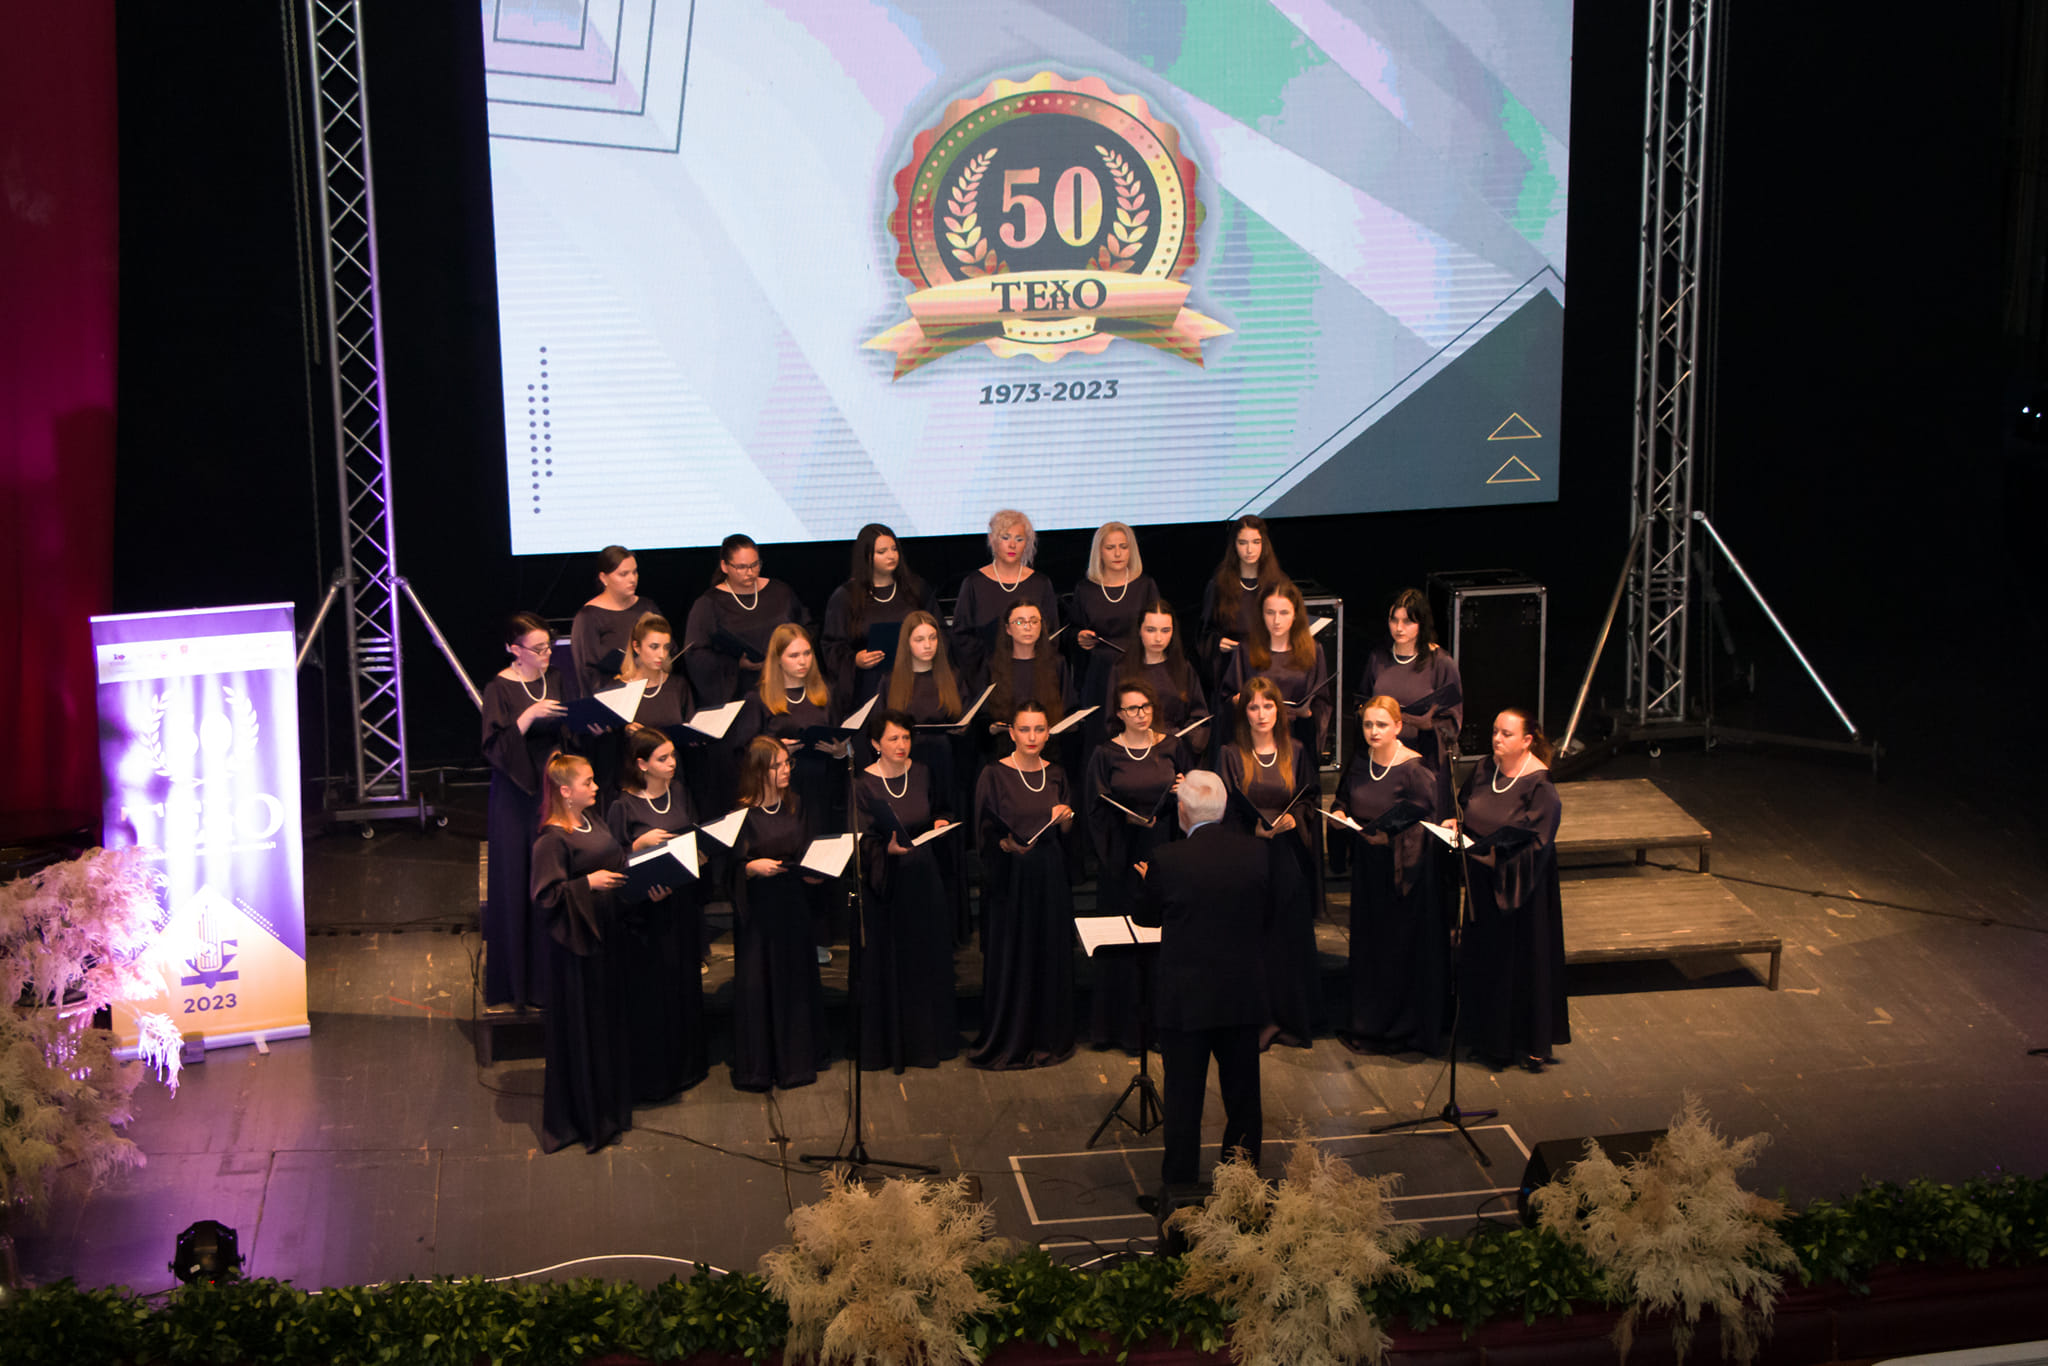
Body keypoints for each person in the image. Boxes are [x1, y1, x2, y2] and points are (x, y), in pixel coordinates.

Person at [1131, 770, 1270, 1189]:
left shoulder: (1167, 859)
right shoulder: (1257, 854)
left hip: (1186, 1001)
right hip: (1241, 996)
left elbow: (1146, 917)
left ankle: (1180, 1193)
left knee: (1183, 1101)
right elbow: (1269, 913)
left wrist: (1148, 882)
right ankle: (1239, 1187)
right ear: (1224, 809)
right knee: (1243, 1099)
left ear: (1182, 811)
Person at [531, 752, 668, 1154]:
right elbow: (546, 898)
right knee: (585, 1027)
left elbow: (618, 862)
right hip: (577, 950)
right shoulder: (552, 839)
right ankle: (586, 1117)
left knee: (609, 1024)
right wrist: (586, 884)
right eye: (587, 782)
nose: (595, 787)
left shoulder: (594, 820)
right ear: (565, 791)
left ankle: (611, 1107)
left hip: (609, 937)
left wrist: (646, 883)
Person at [1450, 708, 1568, 1073]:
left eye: (1506, 734)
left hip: (1520, 889)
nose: (1497, 739)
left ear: (1527, 741)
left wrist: (1493, 858)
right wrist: (1456, 825)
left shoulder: (1540, 786)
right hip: (1483, 881)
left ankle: (1526, 1042)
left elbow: (1537, 845)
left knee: (1519, 963)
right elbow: (1466, 806)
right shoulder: (1485, 768)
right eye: (1495, 731)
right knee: (1484, 957)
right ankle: (1486, 1036)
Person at [1329, 695, 1447, 1055]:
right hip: (1368, 868)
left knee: (1396, 948)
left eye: (1381, 724)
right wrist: (1339, 814)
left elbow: (1426, 824)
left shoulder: (1415, 769)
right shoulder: (1360, 762)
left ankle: (1400, 1027)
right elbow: (1344, 799)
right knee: (1369, 947)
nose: (1374, 731)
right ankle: (1368, 1022)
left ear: (1398, 726)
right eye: (1368, 724)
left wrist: (1390, 838)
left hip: (1402, 874)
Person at [1082, 680, 1191, 1053]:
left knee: (1162, 940)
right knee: (1125, 939)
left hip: (1164, 848)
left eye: (1145, 706)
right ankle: (1121, 1028)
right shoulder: (1105, 754)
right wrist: (1124, 821)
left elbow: (1194, 800)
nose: (1140, 714)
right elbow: (1095, 809)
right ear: (1119, 714)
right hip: (1122, 855)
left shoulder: (1172, 746)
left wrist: (1183, 791)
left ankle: (1163, 1026)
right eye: (1132, 708)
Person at [969, 700, 1078, 1069]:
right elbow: (983, 832)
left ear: (1048, 733)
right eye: (1025, 729)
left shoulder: (1057, 773)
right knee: (1012, 957)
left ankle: (1049, 1037)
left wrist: (1065, 819)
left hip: (1049, 877)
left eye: (1040, 729)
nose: (1033, 736)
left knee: (1049, 954)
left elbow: (1068, 833)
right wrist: (1005, 844)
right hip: (1010, 881)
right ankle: (1009, 1038)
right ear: (1012, 733)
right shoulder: (993, 774)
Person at [851, 710, 961, 1072]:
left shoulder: (923, 772)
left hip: (923, 878)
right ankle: (892, 1047)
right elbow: (861, 839)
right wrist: (885, 850)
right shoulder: (862, 784)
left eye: (906, 737)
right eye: (893, 738)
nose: (901, 745)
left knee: (926, 959)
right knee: (892, 962)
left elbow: (940, 808)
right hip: (887, 885)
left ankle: (929, 1042)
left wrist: (941, 821)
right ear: (875, 743)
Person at [1216, 677, 1322, 1049]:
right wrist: (1253, 829)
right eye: (1253, 707)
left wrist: (1295, 817)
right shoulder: (1230, 754)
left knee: (1286, 940)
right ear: (1243, 713)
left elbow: (1309, 798)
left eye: (1268, 705)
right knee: (1253, 941)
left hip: (1286, 856)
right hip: (1248, 856)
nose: (1261, 714)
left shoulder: (1296, 750)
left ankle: (1290, 1019)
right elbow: (1225, 807)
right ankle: (1255, 1021)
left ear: (1279, 709)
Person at [733, 623, 847, 964]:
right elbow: (746, 750)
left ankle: (819, 935)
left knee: (817, 859)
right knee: (790, 856)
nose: (803, 661)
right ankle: (790, 935)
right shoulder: (759, 698)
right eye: (794, 655)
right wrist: (776, 748)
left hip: (818, 787)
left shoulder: (824, 692)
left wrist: (839, 751)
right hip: (780, 794)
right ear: (778, 659)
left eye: (807, 653)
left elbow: (843, 736)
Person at [606, 728, 709, 1100]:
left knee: (684, 982)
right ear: (641, 764)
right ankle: (656, 1074)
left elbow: (693, 834)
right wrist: (638, 844)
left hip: (681, 904)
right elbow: (611, 859)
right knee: (655, 990)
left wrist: (701, 854)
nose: (672, 763)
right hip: (646, 915)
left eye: (672, 756)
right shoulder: (623, 806)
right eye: (663, 758)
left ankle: (689, 1066)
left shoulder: (679, 792)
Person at [728, 736, 830, 1091]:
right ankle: (760, 1067)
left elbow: (807, 850)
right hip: (758, 911)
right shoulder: (740, 814)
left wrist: (816, 871)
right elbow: (728, 869)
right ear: (759, 771)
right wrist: (750, 867)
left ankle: (797, 1062)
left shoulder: (796, 805)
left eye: (788, 763)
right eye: (777, 765)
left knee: (795, 980)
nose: (786, 770)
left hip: (792, 904)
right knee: (759, 983)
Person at [480, 612, 568, 1009]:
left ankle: (551, 980)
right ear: (514, 650)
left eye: (549, 646)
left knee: (552, 876)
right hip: (516, 797)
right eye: (538, 649)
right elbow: (495, 748)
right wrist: (528, 717)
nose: (547, 654)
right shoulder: (498, 688)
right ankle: (518, 984)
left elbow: (567, 731)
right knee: (518, 879)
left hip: (552, 791)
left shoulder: (556, 678)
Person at [882, 610, 975, 940]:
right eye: (920, 639)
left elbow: (966, 720)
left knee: (944, 842)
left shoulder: (952, 676)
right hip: (905, 769)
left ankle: (947, 928)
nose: (928, 645)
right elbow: (880, 730)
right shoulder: (891, 681)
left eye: (933, 638)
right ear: (907, 643)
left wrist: (963, 729)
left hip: (945, 767)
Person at [1355, 589, 1463, 805]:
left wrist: (1427, 723)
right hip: (1383, 756)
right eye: (1394, 620)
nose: (1399, 627)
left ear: (1422, 623)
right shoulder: (1378, 657)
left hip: (1424, 759)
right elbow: (1362, 702)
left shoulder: (1440, 662)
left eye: (1407, 621)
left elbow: (1453, 720)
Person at [682, 533, 811, 708]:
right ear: (725, 566)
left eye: (754, 565)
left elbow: (805, 628)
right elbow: (695, 654)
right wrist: (736, 664)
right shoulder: (709, 604)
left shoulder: (780, 592)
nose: (750, 573)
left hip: (784, 684)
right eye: (741, 567)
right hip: (741, 693)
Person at [822, 523, 937, 710]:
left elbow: (939, 630)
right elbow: (831, 646)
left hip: (915, 682)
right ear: (866, 556)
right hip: (869, 686)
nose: (891, 556)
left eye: (894, 549)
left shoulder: (916, 589)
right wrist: (855, 660)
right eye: (882, 552)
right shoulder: (846, 596)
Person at [1069, 521, 1159, 747]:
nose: (1118, 554)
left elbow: (1159, 627)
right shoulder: (1085, 589)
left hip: (1139, 670)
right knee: (1100, 741)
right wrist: (1080, 637)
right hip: (1099, 676)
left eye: (1123, 547)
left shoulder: (1145, 585)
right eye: (1110, 548)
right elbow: (1071, 631)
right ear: (1099, 552)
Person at [1222, 579, 1332, 764]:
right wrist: (1238, 700)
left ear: (1295, 614)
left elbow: (1322, 702)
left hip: (1298, 740)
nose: (1276, 621)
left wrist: (1308, 713)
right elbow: (1227, 697)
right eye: (1270, 612)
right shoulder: (1246, 650)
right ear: (1261, 614)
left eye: (1284, 613)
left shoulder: (1313, 650)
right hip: (1256, 741)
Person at [950, 510, 1060, 682]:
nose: (1012, 545)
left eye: (1019, 539)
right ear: (992, 540)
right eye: (1006, 537)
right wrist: (990, 666)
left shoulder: (1040, 583)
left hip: (1032, 676)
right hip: (987, 678)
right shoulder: (974, 583)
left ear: (1027, 543)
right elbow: (961, 636)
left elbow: (1051, 634)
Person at [1198, 515, 1285, 697]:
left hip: (1270, 669)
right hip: (1233, 673)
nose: (1249, 549)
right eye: (1243, 543)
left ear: (1264, 544)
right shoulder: (1219, 586)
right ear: (1234, 546)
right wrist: (1216, 643)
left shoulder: (1277, 584)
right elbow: (1203, 634)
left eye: (1255, 542)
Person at [569, 546, 663, 701]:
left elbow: (668, 648)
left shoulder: (647, 607)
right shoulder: (588, 617)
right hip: (613, 698)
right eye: (623, 574)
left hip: (651, 689)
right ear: (604, 578)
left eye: (634, 572)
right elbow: (587, 673)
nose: (632, 579)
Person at [1117, 600, 1211, 751]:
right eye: (1151, 630)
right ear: (1139, 630)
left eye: (1165, 630)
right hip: (1133, 750)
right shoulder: (1122, 670)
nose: (1158, 638)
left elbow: (1199, 718)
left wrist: (1181, 743)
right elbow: (1112, 721)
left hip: (1174, 751)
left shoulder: (1184, 669)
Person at [982, 600, 1072, 757]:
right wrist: (992, 727)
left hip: (1048, 749)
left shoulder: (1057, 663)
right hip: (1004, 750)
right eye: (1019, 622)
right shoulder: (992, 666)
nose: (1028, 627)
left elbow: (1069, 706)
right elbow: (983, 715)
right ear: (1008, 629)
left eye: (1034, 621)